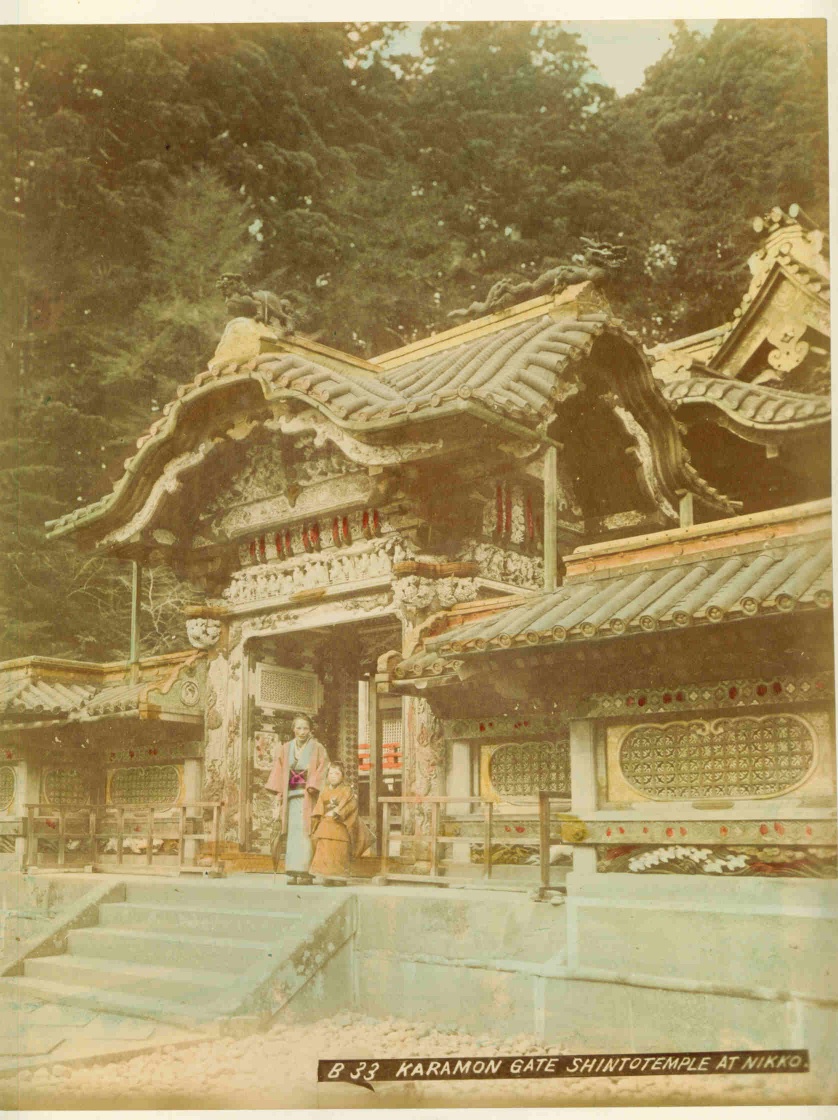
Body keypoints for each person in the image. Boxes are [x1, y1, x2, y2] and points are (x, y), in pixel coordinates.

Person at [265, 713, 330, 885]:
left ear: (310, 730)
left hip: (309, 795)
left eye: (306, 728)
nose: (302, 732)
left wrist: (313, 784)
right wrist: (280, 793)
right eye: (299, 728)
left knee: (306, 831)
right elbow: (279, 770)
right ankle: (293, 870)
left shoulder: (317, 747)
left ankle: (306, 872)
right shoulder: (286, 748)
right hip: (291, 795)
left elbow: (324, 767)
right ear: (293, 729)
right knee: (293, 832)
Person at [310, 761, 374, 885]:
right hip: (325, 824)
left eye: (337, 773)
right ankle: (327, 876)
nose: (333, 775)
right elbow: (318, 808)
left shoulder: (346, 790)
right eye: (331, 773)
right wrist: (317, 819)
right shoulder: (324, 791)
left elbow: (352, 805)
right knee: (325, 850)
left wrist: (339, 812)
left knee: (339, 851)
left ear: (343, 776)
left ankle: (339, 877)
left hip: (340, 824)